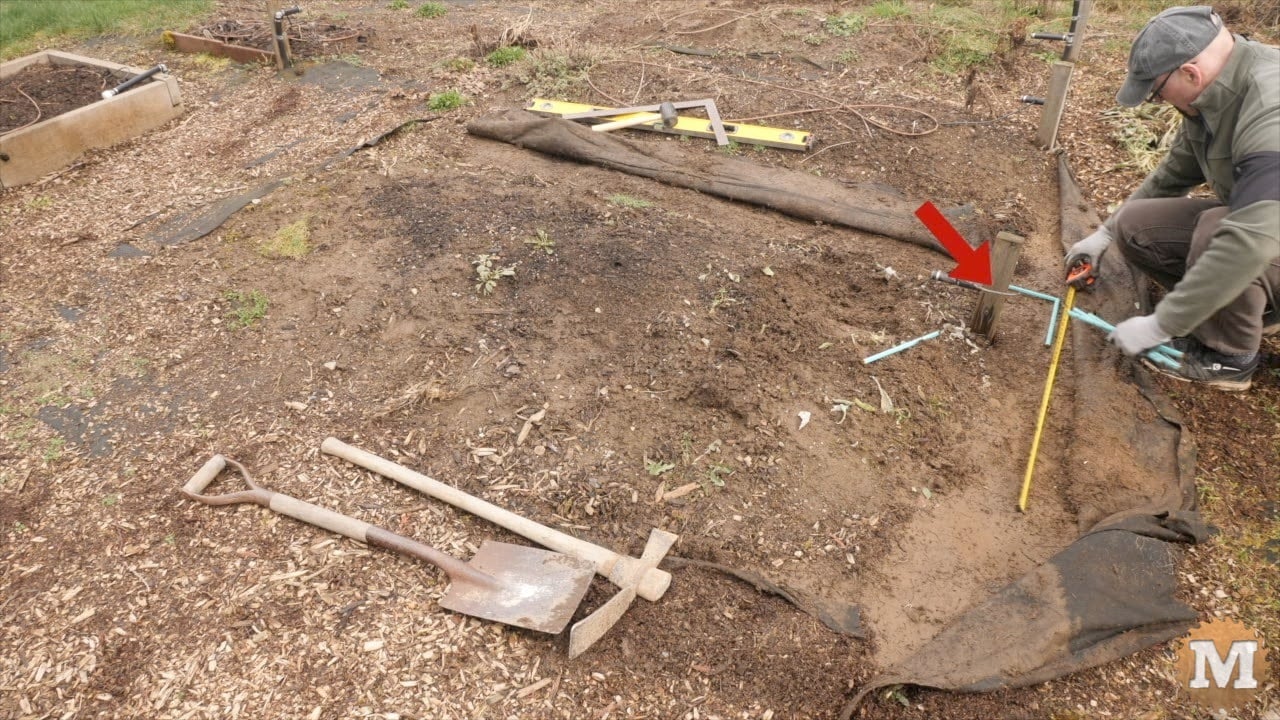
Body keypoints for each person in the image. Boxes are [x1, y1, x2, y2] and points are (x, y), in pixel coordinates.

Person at [1065, 5, 1279, 391]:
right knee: (1135, 225)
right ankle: (1229, 305)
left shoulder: (1270, 107)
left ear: (1190, 73)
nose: (1160, 101)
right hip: (1266, 229)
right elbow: (1172, 175)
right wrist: (1106, 234)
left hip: (1263, 236)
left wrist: (1162, 324)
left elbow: (1251, 238)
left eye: (1158, 92)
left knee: (1219, 231)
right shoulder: (1212, 99)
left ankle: (1231, 359)